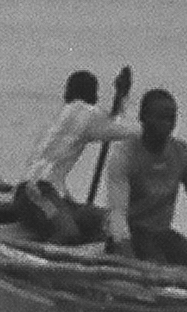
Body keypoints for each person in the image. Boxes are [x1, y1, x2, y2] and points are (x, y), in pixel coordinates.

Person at [11, 66, 133, 241]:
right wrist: (123, 98)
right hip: (35, 192)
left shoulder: (66, 114)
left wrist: (121, 98)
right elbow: (121, 129)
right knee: (68, 233)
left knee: (106, 221)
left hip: (52, 194)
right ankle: (46, 257)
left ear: (67, 94)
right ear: (94, 97)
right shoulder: (83, 111)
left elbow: (111, 124)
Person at [101, 89, 187, 268]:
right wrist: (127, 256)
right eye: (160, 118)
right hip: (131, 233)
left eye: (171, 118)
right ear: (143, 118)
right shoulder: (125, 154)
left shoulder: (181, 153)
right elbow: (117, 214)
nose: (166, 124)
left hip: (161, 233)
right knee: (154, 262)